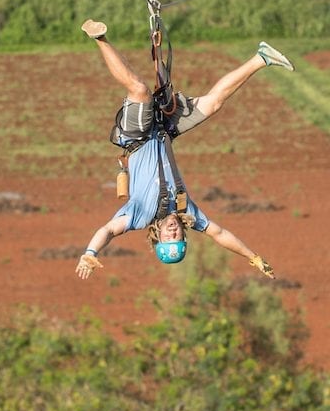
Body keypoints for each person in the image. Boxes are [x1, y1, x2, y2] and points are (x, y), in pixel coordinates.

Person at [75, 18, 295, 280]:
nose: (173, 232)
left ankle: (99, 38)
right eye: (177, 237)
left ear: (157, 236)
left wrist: (91, 252)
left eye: (168, 237)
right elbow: (220, 234)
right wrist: (252, 257)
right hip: (163, 131)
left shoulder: (137, 217)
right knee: (212, 104)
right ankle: (262, 57)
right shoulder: (188, 213)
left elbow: (108, 231)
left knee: (140, 91)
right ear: (183, 234)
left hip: (137, 136)